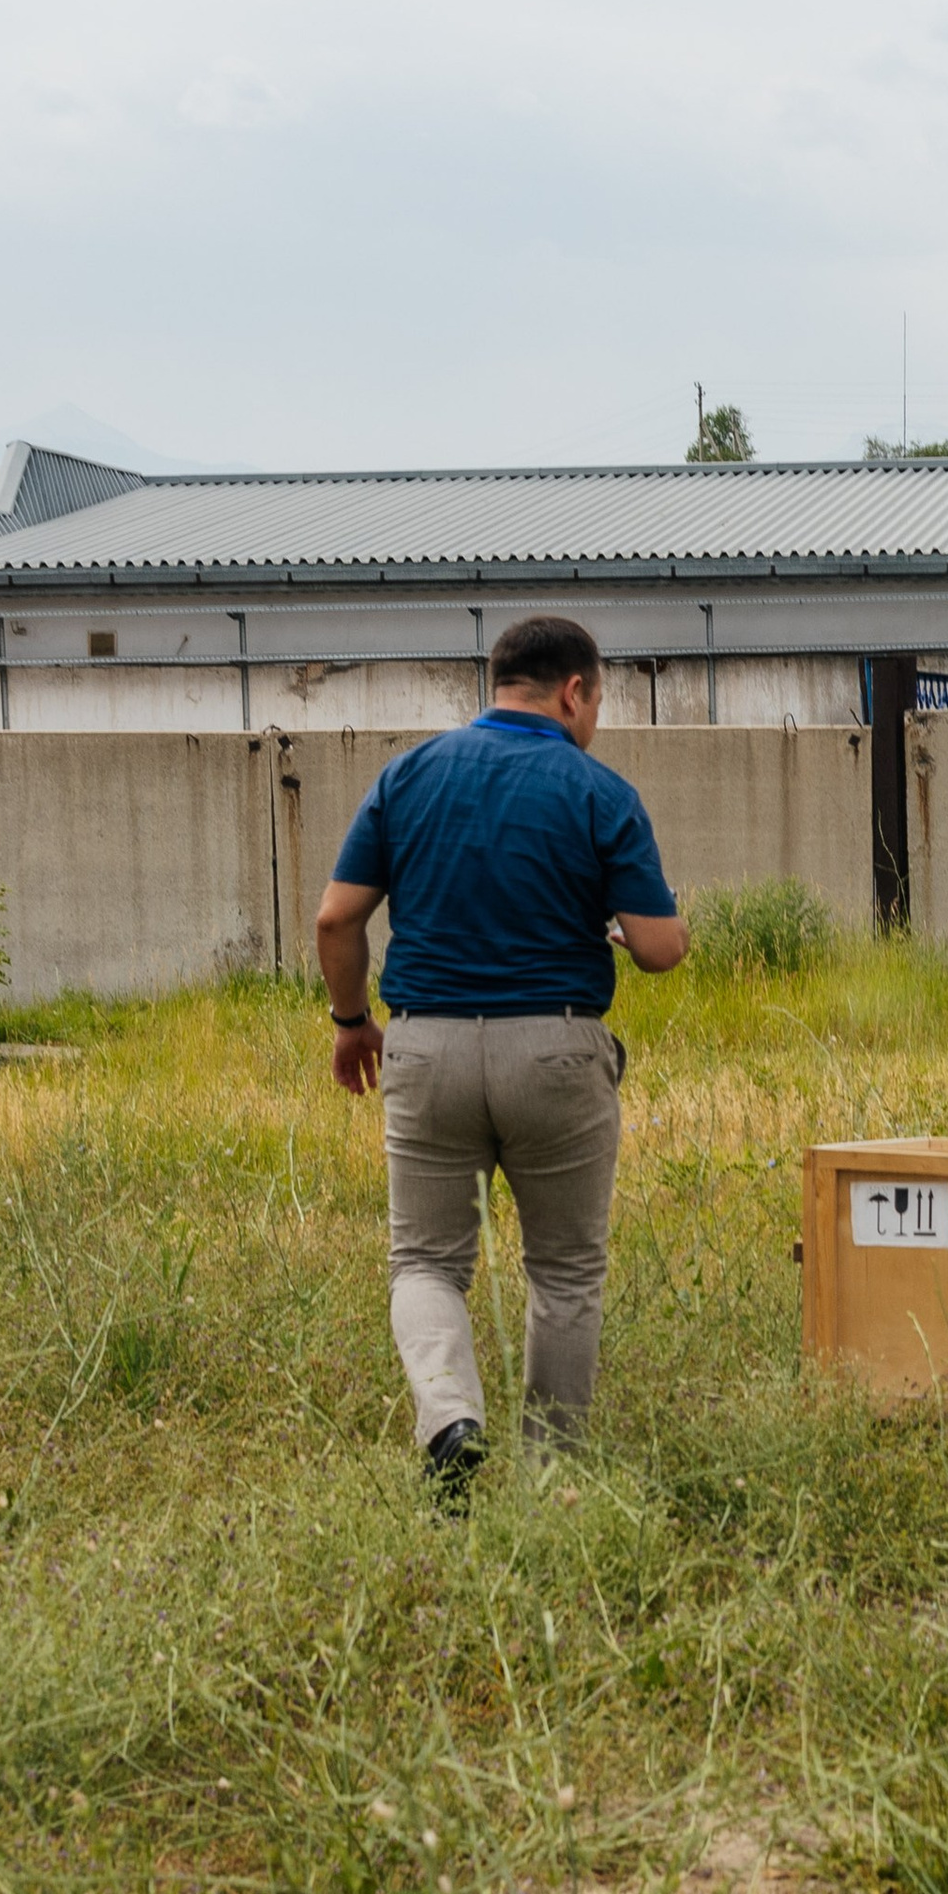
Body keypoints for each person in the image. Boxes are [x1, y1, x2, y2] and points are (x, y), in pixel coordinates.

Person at [316, 615, 687, 1501]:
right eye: (598, 702)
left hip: (426, 1045)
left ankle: (450, 1419)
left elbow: (337, 918)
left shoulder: (407, 776)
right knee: (563, 1271)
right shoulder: (600, 790)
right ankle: (551, 1479)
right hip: (556, 1048)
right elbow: (661, 947)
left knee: (427, 1264)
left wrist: (350, 1021)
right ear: (574, 692)